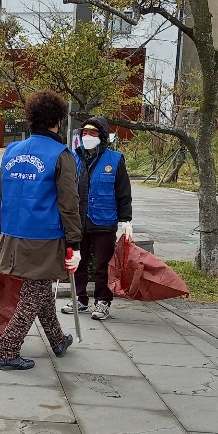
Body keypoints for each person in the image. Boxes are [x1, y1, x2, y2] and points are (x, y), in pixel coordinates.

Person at [0, 91, 82, 370]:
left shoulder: (12, 151)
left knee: (38, 288)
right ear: (57, 120)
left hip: (12, 231)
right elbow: (69, 203)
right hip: (44, 236)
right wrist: (75, 244)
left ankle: (57, 339)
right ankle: (8, 350)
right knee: (35, 291)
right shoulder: (61, 155)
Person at [61, 117, 132, 321]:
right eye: (84, 133)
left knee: (103, 265)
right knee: (77, 262)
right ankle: (79, 299)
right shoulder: (73, 158)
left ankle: (103, 301)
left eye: (92, 133)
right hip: (78, 221)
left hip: (104, 221)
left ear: (101, 136)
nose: (88, 137)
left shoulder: (115, 159)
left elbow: (123, 192)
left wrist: (126, 220)